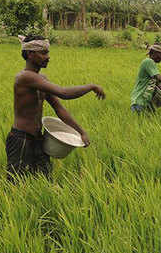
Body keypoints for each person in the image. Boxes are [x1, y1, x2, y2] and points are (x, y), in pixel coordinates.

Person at [6, 35, 105, 182]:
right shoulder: (25, 77)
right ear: (30, 54)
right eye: (43, 53)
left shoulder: (41, 80)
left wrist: (81, 132)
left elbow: (59, 108)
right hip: (21, 140)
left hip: (38, 138)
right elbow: (63, 93)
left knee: (45, 180)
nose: (48, 57)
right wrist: (91, 86)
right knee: (16, 183)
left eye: (48, 52)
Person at [130, 44, 161, 113]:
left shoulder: (151, 64)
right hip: (140, 101)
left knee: (150, 120)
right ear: (154, 53)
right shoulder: (148, 61)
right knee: (141, 121)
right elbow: (158, 78)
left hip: (146, 101)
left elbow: (157, 83)